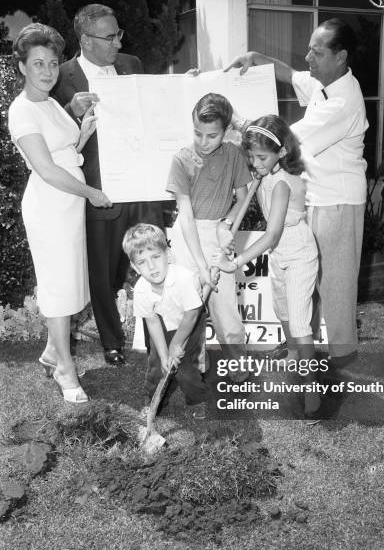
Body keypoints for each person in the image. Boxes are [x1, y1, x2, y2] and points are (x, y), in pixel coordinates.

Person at [225, 18, 368, 377]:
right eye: (309, 48)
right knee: (306, 276)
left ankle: (341, 360)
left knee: (334, 284)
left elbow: (283, 141)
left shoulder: (343, 101)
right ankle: (302, 345)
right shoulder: (323, 82)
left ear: (341, 57)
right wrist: (256, 57)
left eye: (317, 53)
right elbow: (291, 74)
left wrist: (240, 125)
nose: (308, 57)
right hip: (314, 197)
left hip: (339, 201)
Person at [51, 3, 164, 366]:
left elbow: (154, 108)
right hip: (100, 190)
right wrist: (71, 111)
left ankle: (162, 336)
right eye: (110, 36)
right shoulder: (62, 78)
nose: (118, 42)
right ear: (85, 40)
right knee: (104, 271)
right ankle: (112, 342)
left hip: (143, 185)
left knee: (156, 256)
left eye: (119, 34)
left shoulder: (132, 65)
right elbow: (53, 140)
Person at [7, 23, 113, 404]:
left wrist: (84, 130)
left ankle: (54, 352)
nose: (48, 71)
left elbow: (67, 152)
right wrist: (91, 193)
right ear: (22, 67)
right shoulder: (22, 111)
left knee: (69, 283)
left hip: (68, 204)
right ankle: (64, 369)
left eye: (52, 62)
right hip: (50, 204)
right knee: (57, 287)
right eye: (38, 63)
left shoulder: (51, 102)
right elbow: (48, 169)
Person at [211, 116, 321, 417]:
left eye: (261, 157)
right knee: (283, 310)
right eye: (251, 157)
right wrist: (227, 224)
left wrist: (236, 262)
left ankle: (312, 387)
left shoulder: (283, 183)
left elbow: (271, 233)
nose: (255, 163)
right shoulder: (265, 175)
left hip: (298, 251)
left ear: (282, 152)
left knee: (299, 323)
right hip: (279, 254)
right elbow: (248, 200)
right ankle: (296, 352)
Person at [166, 93, 252, 384]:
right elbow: (186, 216)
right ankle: (194, 363)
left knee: (224, 304)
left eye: (212, 135)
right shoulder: (181, 159)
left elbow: (242, 198)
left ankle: (239, 362)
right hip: (188, 236)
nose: (203, 142)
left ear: (226, 131)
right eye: (198, 134)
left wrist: (226, 224)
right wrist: (201, 265)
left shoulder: (235, 155)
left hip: (218, 233)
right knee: (189, 305)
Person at [122, 224, 210, 419]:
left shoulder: (185, 279)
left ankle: (198, 398)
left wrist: (176, 345)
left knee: (187, 367)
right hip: (163, 324)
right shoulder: (142, 290)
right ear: (135, 267)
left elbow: (192, 315)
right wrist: (163, 354)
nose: (151, 266)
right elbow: (152, 322)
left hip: (191, 323)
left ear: (167, 255)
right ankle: (153, 400)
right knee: (156, 365)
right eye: (142, 262)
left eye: (156, 257)